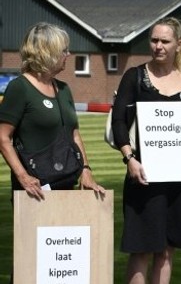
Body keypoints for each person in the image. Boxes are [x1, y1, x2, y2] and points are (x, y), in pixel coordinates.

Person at [112, 17, 181, 284]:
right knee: (141, 249)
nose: (158, 46)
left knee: (166, 250)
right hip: (144, 175)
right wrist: (129, 158)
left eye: (165, 41)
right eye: (154, 40)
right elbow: (119, 121)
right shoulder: (135, 76)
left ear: (178, 44)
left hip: (178, 177)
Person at [0, 22, 105, 198]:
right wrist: (23, 176)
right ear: (48, 53)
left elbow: (74, 135)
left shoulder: (64, 89)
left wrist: (85, 171)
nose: (68, 54)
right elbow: (3, 137)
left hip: (65, 183)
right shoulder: (20, 87)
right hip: (34, 189)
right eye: (64, 50)